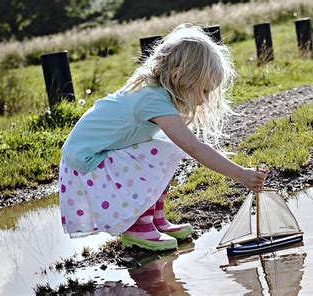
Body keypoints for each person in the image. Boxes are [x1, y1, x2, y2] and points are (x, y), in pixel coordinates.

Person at [59, 24, 268, 251]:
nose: (205, 99)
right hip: (88, 162)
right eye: (204, 90)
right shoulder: (153, 100)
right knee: (164, 151)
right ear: (179, 76)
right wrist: (240, 174)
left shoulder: (156, 90)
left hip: (95, 156)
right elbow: (195, 148)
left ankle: (154, 218)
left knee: (164, 149)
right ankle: (138, 226)